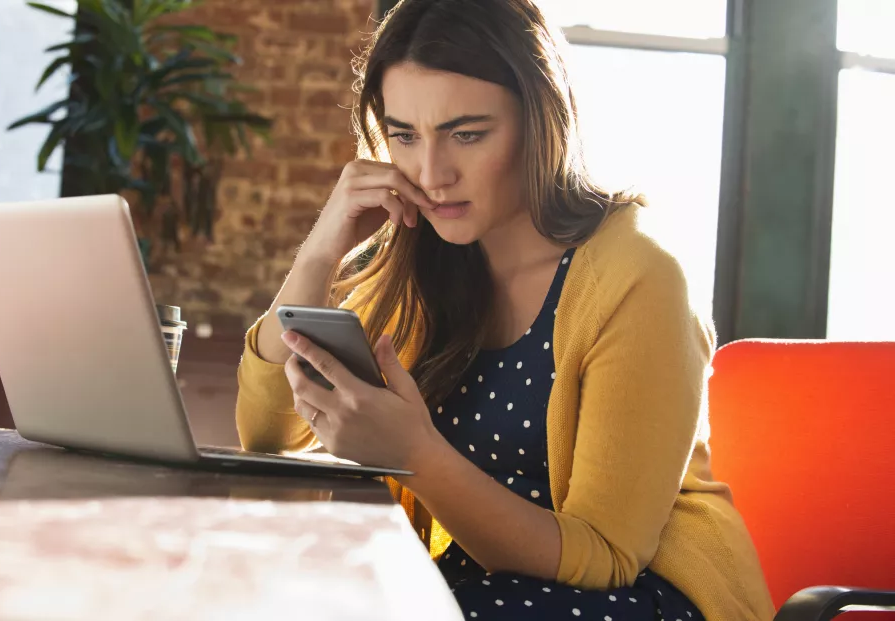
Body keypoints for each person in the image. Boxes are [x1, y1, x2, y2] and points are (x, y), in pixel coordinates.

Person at [236, 0, 774, 619]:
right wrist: (319, 251)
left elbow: (606, 559)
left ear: (540, 122)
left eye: (467, 134)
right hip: (488, 589)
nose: (432, 173)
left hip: (639, 596)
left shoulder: (639, 276)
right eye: (405, 136)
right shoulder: (428, 261)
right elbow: (268, 436)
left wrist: (415, 456)